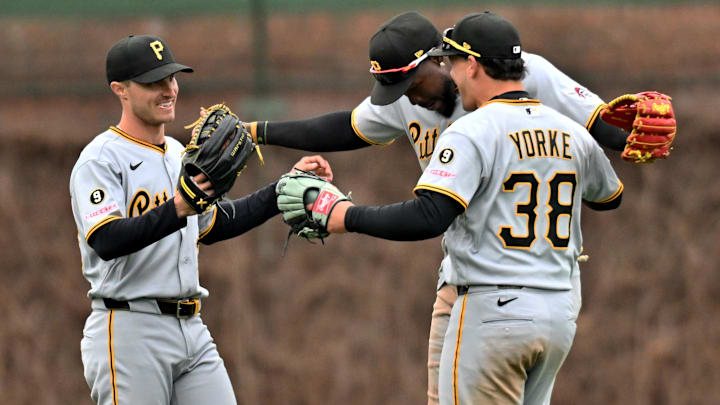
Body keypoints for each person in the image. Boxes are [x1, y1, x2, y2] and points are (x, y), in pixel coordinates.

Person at [243, 11, 647, 405]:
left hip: (490, 293)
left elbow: (430, 215)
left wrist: (344, 216)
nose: (409, 98)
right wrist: (259, 132)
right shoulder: (564, 131)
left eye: (413, 82)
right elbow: (607, 191)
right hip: (543, 294)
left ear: (451, 61)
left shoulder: (490, 111)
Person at [69, 34, 331, 405]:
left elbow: (214, 224)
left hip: (191, 327)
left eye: (171, 78)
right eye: (152, 82)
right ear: (120, 89)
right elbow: (107, 240)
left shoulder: (179, 153)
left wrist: (281, 189)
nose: (167, 89)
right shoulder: (101, 159)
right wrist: (177, 206)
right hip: (129, 329)